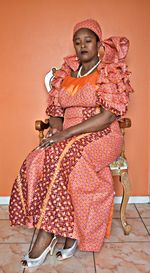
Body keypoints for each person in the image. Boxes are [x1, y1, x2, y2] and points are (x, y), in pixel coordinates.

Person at [9, 18, 133, 268]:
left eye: (88, 40)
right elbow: (55, 109)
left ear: (98, 43)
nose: (82, 46)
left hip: (101, 134)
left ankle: (47, 235)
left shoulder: (108, 71)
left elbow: (108, 116)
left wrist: (67, 134)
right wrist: (56, 126)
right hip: (68, 134)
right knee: (38, 157)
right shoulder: (66, 74)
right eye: (78, 42)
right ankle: (65, 230)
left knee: (68, 162)